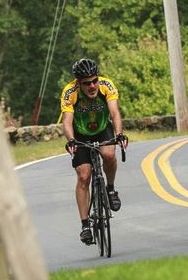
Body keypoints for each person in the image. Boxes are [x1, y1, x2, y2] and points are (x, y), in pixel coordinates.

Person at [60, 58, 128, 245]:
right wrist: (71, 140)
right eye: (86, 83)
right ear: (78, 83)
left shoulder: (106, 86)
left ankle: (111, 190)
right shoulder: (70, 92)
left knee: (109, 154)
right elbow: (66, 121)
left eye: (94, 80)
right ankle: (85, 226)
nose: (92, 86)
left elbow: (114, 113)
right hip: (80, 134)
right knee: (84, 176)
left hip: (102, 128)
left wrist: (120, 134)